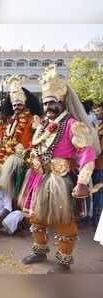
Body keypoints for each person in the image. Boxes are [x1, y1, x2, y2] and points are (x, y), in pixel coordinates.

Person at [18, 65, 98, 273]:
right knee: (36, 217)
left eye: (53, 102)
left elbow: (87, 153)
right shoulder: (45, 123)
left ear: (62, 102)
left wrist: (82, 182)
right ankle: (40, 250)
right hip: (39, 177)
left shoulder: (73, 125)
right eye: (45, 103)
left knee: (64, 221)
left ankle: (63, 261)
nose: (49, 106)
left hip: (61, 181)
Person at [0, 75, 43, 166]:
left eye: (19, 105)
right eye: (14, 105)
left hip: (26, 161)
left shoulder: (33, 119)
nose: (17, 108)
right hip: (9, 160)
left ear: (25, 105)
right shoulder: (10, 121)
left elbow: (37, 140)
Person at [91, 103, 103, 226]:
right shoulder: (97, 126)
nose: (96, 112)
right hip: (96, 164)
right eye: (95, 110)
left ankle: (97, 221)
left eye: (99, 110)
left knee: (99, 193)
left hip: (100, 165)